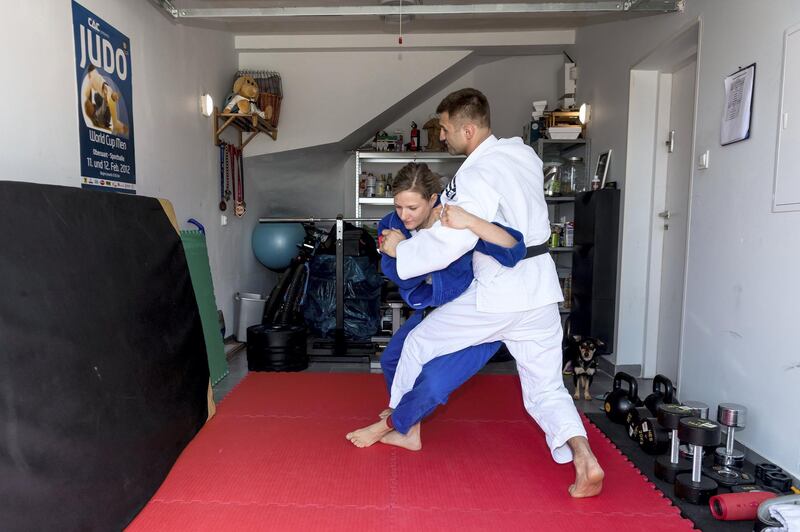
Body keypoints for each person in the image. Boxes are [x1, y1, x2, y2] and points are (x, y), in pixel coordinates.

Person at [380, 88, 604, 498]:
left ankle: (402, 425)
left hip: (500, 293)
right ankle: (585, 459)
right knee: (547, 388)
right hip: (540, 291)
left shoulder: (475, 175)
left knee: (419, 342)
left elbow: (452, 239)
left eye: (446, 129)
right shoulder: (524, 156)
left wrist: (401, 250)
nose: (443, 137)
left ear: (467, 128)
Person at [346, 162, 527, 450]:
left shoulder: (453, 222)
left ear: (433, 200)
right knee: (393, 358)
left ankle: (393, 424)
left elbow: (511, 249)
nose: (403, 215)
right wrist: (406, 255)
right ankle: (411, 428)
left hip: (473, 312)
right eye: (398, 206)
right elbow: (396, 275)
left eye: (413, 208)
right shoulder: (390, 225)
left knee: (431, 381)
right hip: (431, 310)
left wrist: (406, 252)